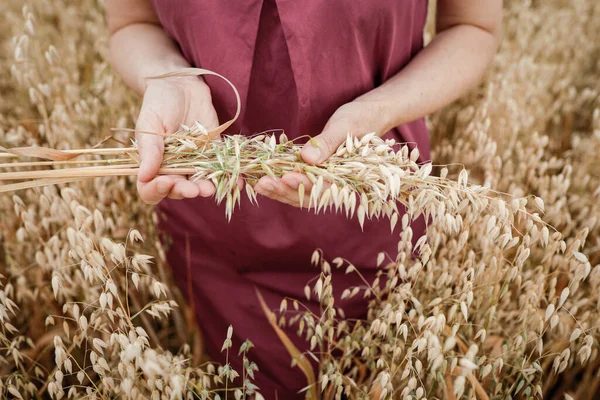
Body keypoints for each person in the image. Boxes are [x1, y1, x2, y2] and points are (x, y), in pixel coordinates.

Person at [106, 1, 502, 398]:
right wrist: (171, 78)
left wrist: (379, 110)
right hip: (211, 218)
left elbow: (472, 26)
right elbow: (131, 22)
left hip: (369, 217)